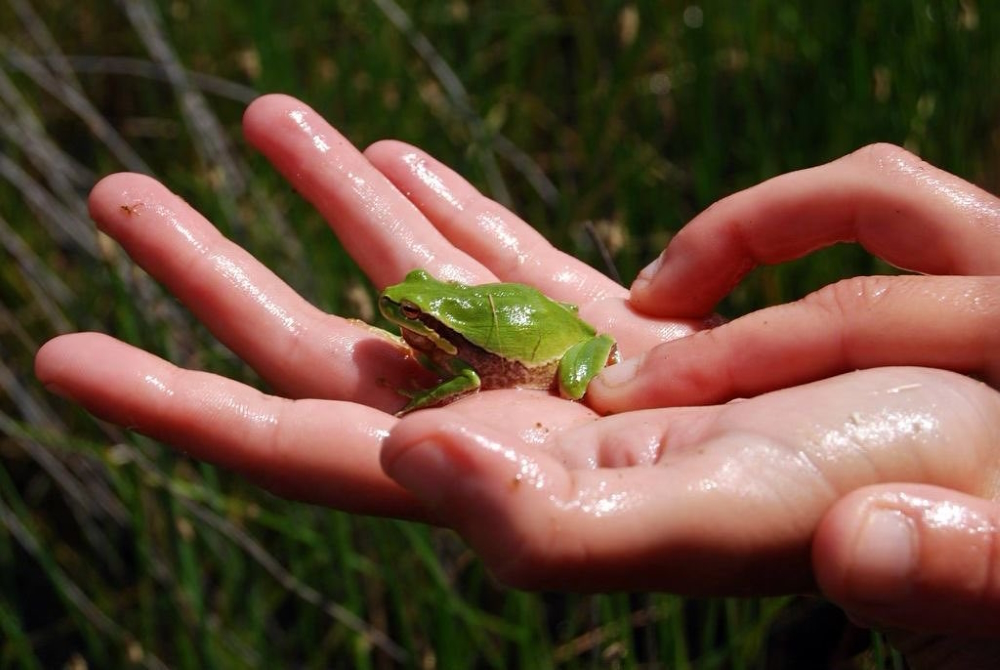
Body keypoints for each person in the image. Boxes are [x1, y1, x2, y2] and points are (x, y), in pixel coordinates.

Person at [34, 94, 1000, 668]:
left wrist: (434, 382)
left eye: (415, 318)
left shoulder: (454, 354)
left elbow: (464, 376)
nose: (400, 323)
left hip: (558, 356)